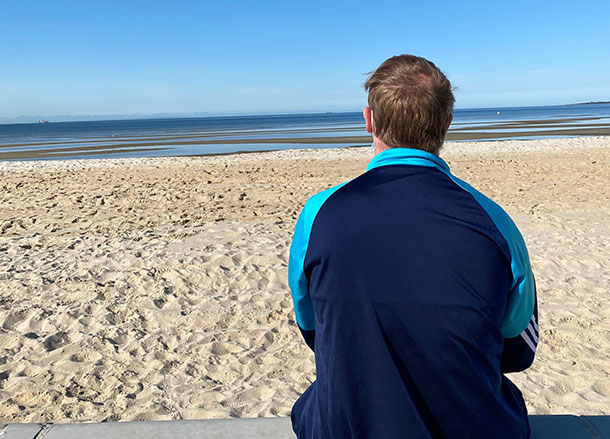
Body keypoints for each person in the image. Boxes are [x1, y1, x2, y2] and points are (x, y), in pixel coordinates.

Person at [288, 54, 538, 439]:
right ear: (447, 123)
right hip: (475, 426)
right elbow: (519, 350)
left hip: (350, 424)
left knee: (315, 399)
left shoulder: (319, 213)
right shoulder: (493, 220)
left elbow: (313, 329)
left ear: (369, 120)